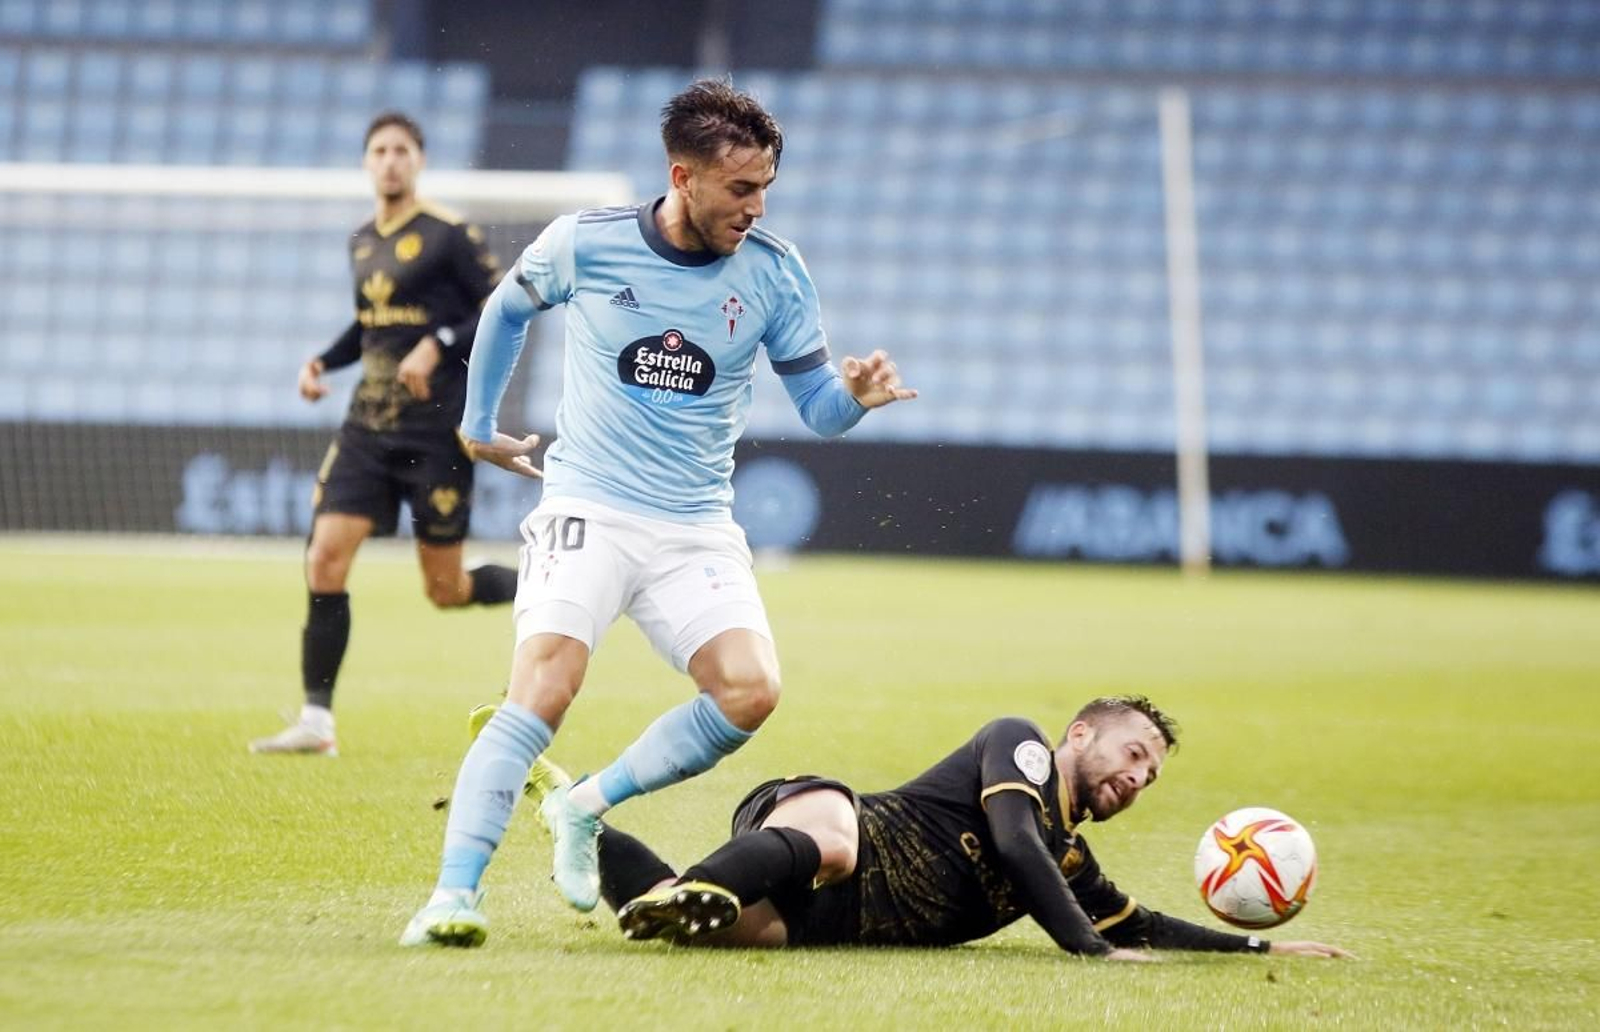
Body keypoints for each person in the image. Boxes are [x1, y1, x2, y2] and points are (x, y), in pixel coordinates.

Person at [399, 78, 916, 948]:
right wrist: (477, 425)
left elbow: (820, 409)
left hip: (694, 525)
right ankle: (453, 896)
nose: (756, 207)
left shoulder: (777, 274)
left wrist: (855, 398)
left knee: (751, 692)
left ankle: (585, 804)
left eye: (765, 189)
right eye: (740, 189)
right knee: (544, 689)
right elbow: (506, 308)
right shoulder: (586, 243)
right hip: (590, 505)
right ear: (684, 177)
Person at [569, 696, 1350, 960]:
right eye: (1136, 752)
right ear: (1079, 734)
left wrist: (1258, 945)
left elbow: (1139, 923)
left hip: (835, 922)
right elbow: (1014, 842)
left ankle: (576, 819)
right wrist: (1088, 947)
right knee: (837, 847)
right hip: (824, 817)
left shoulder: (1069, 861)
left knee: (709, 932)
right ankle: (705, 884)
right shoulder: (1019, 744)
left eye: (1150, 776)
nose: (1139, 777)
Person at [250, 112, 519, 758]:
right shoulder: (362, 240)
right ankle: (317, 720)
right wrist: (322, 361)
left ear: (419, 160)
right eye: (380, 150)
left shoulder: (450, 235)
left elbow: (502, 303)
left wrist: (438, 343)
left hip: (436, 435)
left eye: (402, 150)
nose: (391, 160)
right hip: (367, 427)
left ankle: (547, 581)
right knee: (324, 558)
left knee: (445, 591)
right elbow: (370, 327)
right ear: (367, 163)